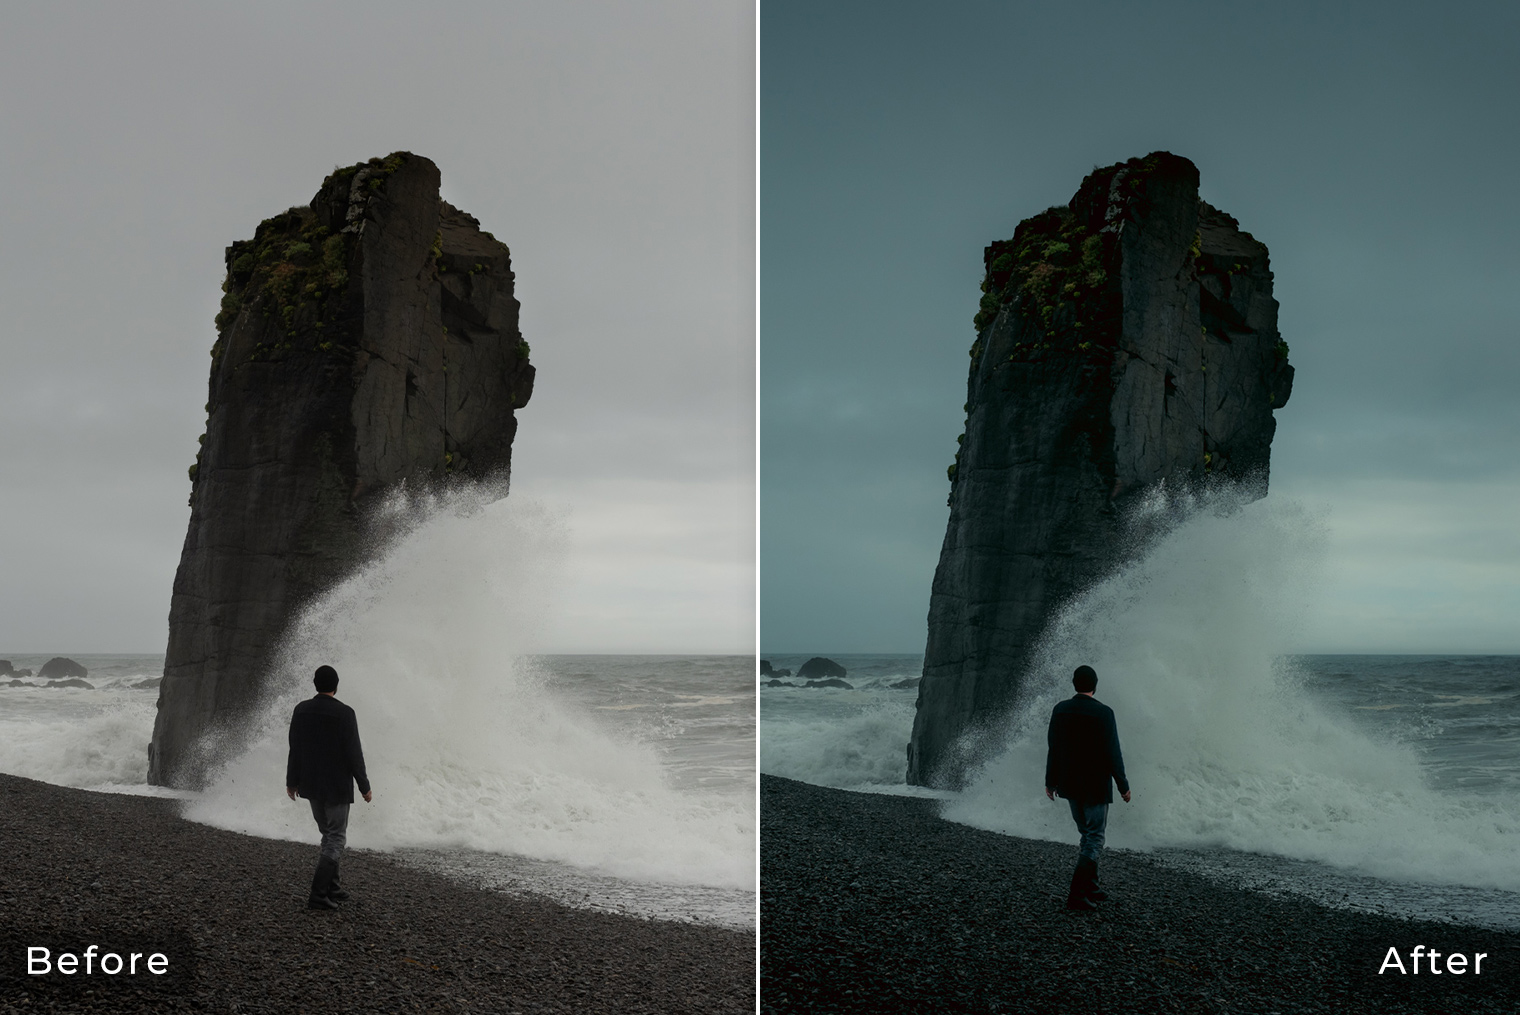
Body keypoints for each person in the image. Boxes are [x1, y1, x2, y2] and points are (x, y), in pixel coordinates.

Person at [286, 665, 372, 910]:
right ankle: (318, 893)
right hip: (336, 786)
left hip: (311, 784)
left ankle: (332, 887)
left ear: (315, 684)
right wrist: (364, 786)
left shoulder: (301, 710)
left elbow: (295, 747)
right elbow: (354, 752)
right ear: (336, 685)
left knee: (328, 834)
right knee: (336, 837)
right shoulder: (345, 713)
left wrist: (291, 781)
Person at [1044, 664, 1129, 911]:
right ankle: (1076, 895)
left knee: (1086, 834)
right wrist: (1123, 785)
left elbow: (1054, 748)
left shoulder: (1060, 710)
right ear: (1095, 685)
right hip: (1095, 786)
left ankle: (1091, 886)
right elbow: (1113, 752)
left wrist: (1050, 781)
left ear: (1074, 684)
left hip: (1069, 784)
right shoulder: (1104, 713)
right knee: (1095, 838)